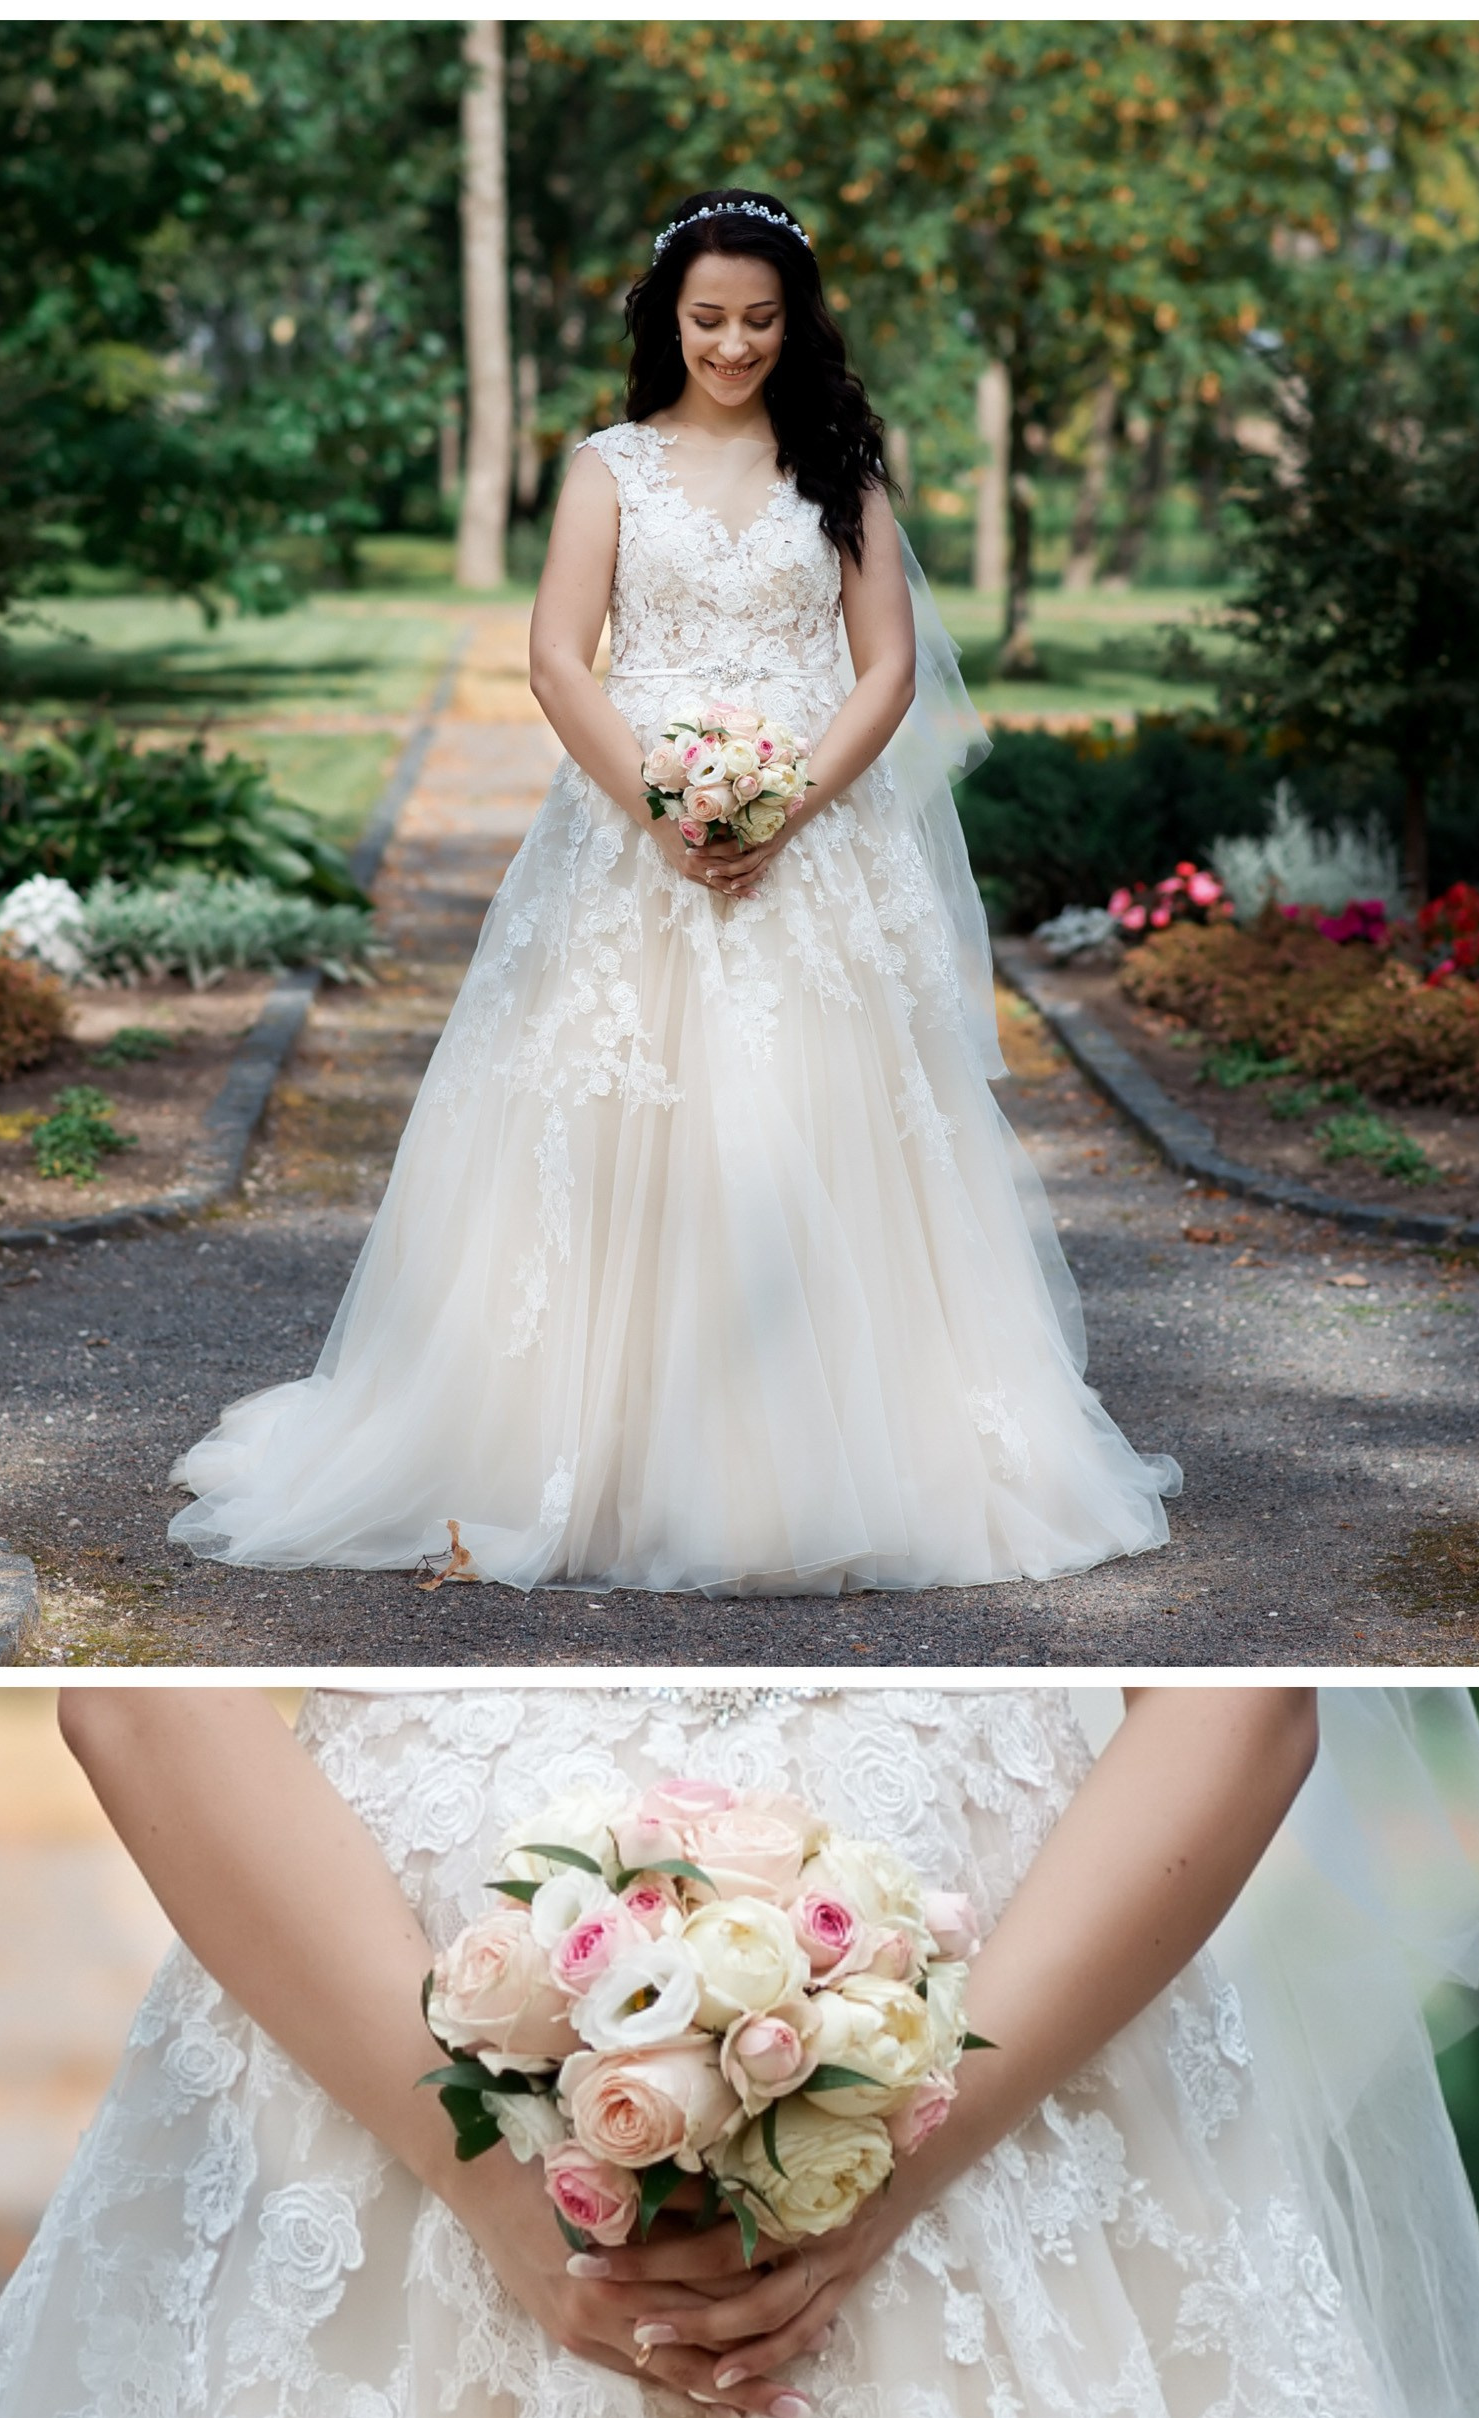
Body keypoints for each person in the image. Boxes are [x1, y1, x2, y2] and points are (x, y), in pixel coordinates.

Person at [165, 191, 1177, 1597]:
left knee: (817, 1125)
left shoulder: (842, 468)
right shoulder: (608, 470)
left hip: (811, 842)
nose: (735, 346)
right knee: (605, 1129)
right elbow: (560, 660)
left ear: (796, 323)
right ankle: (591, 1450)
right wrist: (661, 804)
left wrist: (780, 808)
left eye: (761, 321)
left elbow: (883, 669)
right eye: (709, 319)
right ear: (667, 318)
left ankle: (840, 1462)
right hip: (625, 841)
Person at [0, 1684, 1479, 2418]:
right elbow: (130, 1699)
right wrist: (482, 2168)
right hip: (385, 2038)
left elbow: (1252, 1700)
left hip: (1004, 2062)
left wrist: (897, 2155)